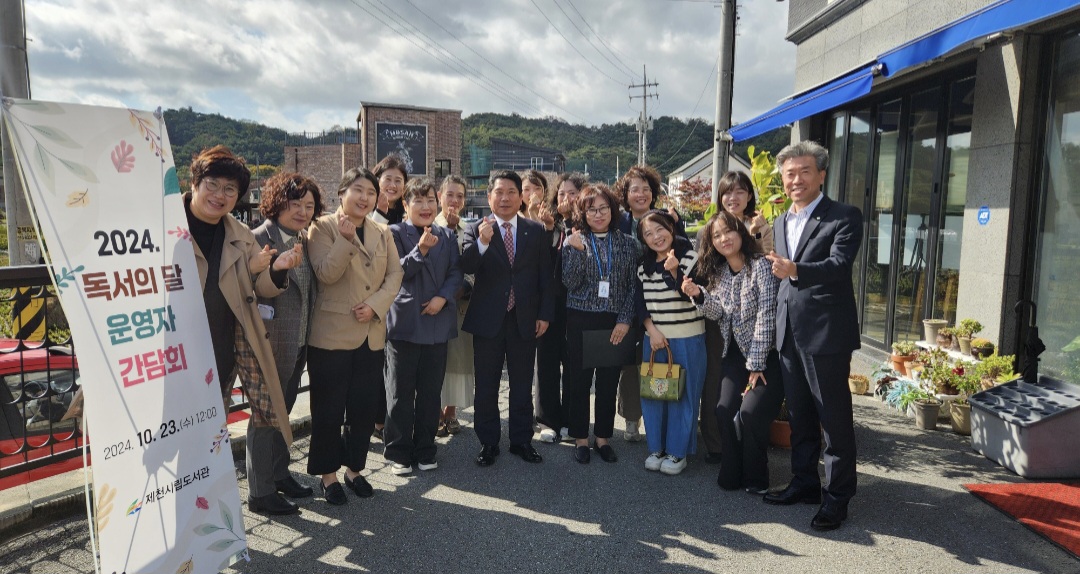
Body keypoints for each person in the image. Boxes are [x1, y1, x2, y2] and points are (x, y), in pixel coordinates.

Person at [183, 146, 304, 515]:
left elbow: (258, 288)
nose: (220, 196)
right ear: (194, 183)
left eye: (230, 190)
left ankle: (199, 530)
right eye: (212, 185)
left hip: (219, 353)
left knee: (207, 440)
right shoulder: (161, 226)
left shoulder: (239, 234)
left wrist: (277, 269)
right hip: (170, 354)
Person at [763, 141, 863, 532]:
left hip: (826, 335)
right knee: (801, 418)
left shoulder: (844, 216)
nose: (796, 179)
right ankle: (805, 483)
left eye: (805, 171)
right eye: (790, 173)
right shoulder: (779, 221)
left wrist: (795, 269)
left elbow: (839, 266)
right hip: (789, 332)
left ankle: (837, 499)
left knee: (834, 421)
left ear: (821, 174)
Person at [306, 167, 403, 505]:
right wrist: (345, 241)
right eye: (358, 190)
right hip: (331, 335)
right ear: (341, 192)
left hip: (371, 333)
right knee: (328, 410)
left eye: (371, 193)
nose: (365, 198)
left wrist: (376, 306)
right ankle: (328, 475)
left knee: (362, 408)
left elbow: (395, 275)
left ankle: (354, 470)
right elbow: (325, 274)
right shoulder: (322, 227)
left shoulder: (383, 231)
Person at [682, 211, 783, 494]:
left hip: (765, 359)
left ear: (740, 233)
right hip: (734, 356)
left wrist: (757, 364)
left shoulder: (760, 266)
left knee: (750, 413)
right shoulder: (720, 273)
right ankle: (733, 470)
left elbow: (767, 316)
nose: (723, 239)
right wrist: (698, 295)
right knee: (723, 410)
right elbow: (719, 314)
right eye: (716, 236)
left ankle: (756, 476)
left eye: (728, 232)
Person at [460, 170, 554, 467]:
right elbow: (466, 264)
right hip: (488, 320)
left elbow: (545, 278)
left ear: (520, 196)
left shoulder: (535, 230)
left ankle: (521, 440)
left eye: (511, 192)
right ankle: (488, 443)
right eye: (498, 192)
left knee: (522, 383)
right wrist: (483, 244)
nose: (505, 198)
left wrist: (544, 315)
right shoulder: (475, 228)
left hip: (524, 319)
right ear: (489, 197)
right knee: (486, 385)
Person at [252, 171, 325, 505]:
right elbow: (251, 290)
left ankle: (280, 476)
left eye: (309, 205)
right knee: (264, 417)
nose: (302, 211)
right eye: (295, 203)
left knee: (284, 412)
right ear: (277, 202)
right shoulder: (258, 239)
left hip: (298, 344)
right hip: (269, 344)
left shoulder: (305, 240)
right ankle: (262, 491)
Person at [384, 178, 463, 474]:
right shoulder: (393, 233)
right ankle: (398, 451)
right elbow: (394, 273)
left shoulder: (447, 234)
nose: (427, 206)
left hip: (437, 322)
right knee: (400, 391)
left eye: (431, 200)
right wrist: (420, 250)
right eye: (418, 200)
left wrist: (443, 298)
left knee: (431, 392)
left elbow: (456, 273)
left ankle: (426, 448)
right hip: (405, 322)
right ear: (405, 205)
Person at [699, 171, 774, 463]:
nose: (733, 198)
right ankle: (717, 443)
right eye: (728, 193)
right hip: (721, 315)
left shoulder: (760, 225)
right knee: (717, 383)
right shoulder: (711, 227)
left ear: (749, 196)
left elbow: (769, 262)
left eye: (740, 191)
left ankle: (749, 443)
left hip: (755, 316)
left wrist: (758, 234)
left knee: (753, 387)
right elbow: (703, 263)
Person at [561, 184, 638, 464]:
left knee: (607, 383)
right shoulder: (574, 241)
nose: (598, 214)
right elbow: (570, 282)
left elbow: (633, 287)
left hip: (614, 321)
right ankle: (581, 438)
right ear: (582, 212)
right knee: (579, 382)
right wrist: (579, 253)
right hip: (581, 318)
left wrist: (626, 319)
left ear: (612, 209)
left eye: (603, 208)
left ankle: (603, 438)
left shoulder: (628, 244)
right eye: (591, 209)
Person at [614, 165, 686, 443]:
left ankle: (664, 418)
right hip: (626, 299)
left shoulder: (669, 219)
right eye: (635, 189)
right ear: (626, 194)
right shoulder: (618, 221)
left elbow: (681, 251)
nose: (641, 194)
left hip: (662, 300)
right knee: (630, 363)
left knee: (662, 357)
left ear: (653, 192)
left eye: (646, 188)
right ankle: (632, 418)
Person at [635, 210, 707, 476]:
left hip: (688, 338)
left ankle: (678, 453)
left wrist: (675, 271)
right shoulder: (643, 266)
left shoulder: (691, 258)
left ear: (671, 227)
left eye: (660, 229)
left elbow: (693, 298)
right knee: (655, 394)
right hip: (654, 340)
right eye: (648, 234)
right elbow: (639, 303)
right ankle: (657, 448)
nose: (656, 237)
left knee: (683, 396)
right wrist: (651, 331)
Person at [534, 172, 584, 444]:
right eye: (562, 194)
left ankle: (570, 420)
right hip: (550, 303)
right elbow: (544, 262)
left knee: (574, 363)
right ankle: (547, 420)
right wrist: (550, 228)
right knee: (547, 362)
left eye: (573, 193)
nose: (566, 198)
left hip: (578, 305)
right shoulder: (548, 223)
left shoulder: (589, 223)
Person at [370, 155, 409, 440]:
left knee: (393, 366)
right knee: (373, 363)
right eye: (388, 180)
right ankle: (373, 419)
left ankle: (386, 419)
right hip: (372, 297)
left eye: (399, 180)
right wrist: (379, 213)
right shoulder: (366, 209)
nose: (393, 185)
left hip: (400, 298)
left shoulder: (408, 214)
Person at [434, 175, 473, 437]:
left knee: (458, 361)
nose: (455, 200)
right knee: (435, 361)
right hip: (433, 306)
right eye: (450, 195)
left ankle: (451, 412)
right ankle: (434, 413)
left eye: (460, 196)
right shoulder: (428, 225)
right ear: (439, 196)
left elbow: (472, 267)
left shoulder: (468, 228)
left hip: (460, 305)